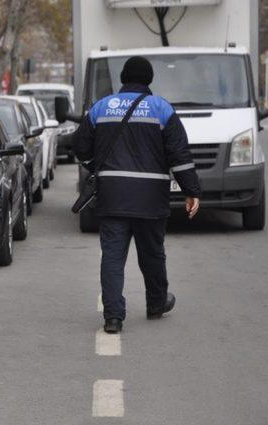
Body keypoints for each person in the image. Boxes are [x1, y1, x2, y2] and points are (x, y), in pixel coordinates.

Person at [73, 56, 201, 334]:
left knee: (113, 258)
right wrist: (191, 190)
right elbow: (180, 155)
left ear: (124, 79)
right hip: (150, 199)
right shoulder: (162, 109)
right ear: (149, 80)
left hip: (112, 196)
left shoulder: (100, 108)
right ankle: (156, 304)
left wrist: (94, 167)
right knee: (152, 254)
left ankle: (113, 317)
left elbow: (80, 146)